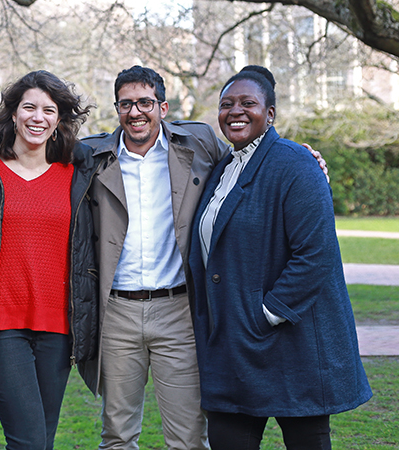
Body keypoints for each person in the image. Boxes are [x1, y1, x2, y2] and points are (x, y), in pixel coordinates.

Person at [79, 66, 328, 450]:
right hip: (117, 312)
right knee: (116, 434)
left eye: (145, 102)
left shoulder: (197, 144)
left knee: (188, 437)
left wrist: (302, 156)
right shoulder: (92, 156)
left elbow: (253, 153)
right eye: (126, 104)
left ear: (162, 107)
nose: (135, 112)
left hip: (178, 310)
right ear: (116, 109)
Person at [188, 65, 371, 449]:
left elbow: (315, 254)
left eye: (247, 103)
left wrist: (266, 313)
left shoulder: (295, 164)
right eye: (226, 104)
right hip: (232, 350)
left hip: (291, 345)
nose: (235, 111)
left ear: (269, 114)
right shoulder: (223, 169)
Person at [0, 70, 98, 450]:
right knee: (29, 440)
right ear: (14, 114)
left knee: (42, 440)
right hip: (0, 323)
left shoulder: (79, 172)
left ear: (60, 118)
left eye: (48, 110)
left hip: (58, 325)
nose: (38, 117)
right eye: (29, 107)